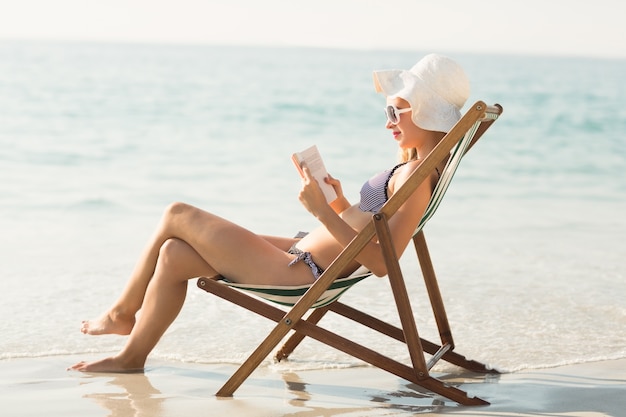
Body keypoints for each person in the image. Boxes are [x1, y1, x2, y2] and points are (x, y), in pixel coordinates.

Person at [70, 53, 470, 372]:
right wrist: (338, 202)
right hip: (303, 258)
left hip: (299, 273)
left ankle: (122, 312)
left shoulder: (415, 176)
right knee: (174, 254)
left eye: (395, 112)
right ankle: (131, 357)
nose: (388, 125)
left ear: (425, 112)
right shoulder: (415, 168)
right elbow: (370, 231)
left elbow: (383, 262)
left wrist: (322, 215)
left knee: (177, 213)